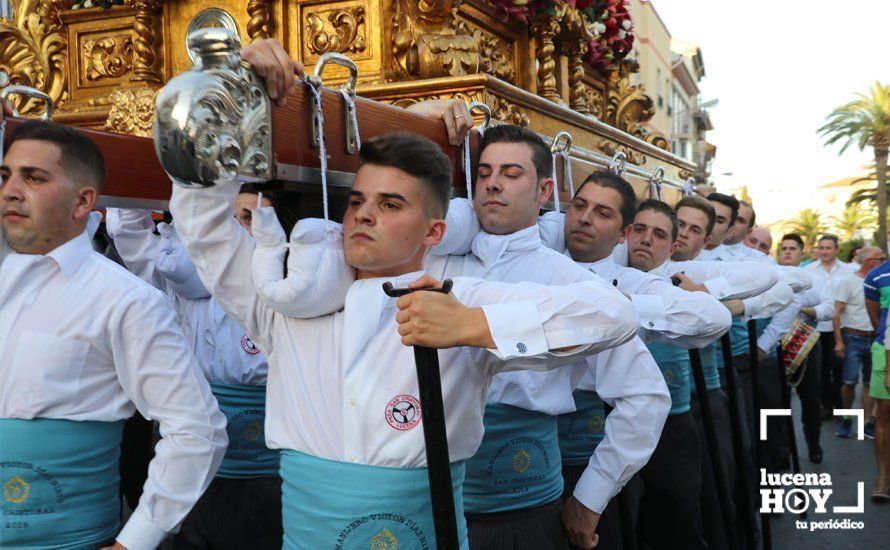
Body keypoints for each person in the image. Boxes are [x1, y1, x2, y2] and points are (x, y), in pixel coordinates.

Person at [170, 129, 644, 549]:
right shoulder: (283, 303)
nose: (364, 216)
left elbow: (614, 315)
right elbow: (203, 224)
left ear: (434, 231)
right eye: (357, 201)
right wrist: (234, 104)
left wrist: (473, 326)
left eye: (390, 204)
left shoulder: (454, 299)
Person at [0, 115, 228, 548]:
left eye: (34, 177)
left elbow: (197, 430)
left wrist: (136, 542)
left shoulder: (127, 301)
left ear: (83, 201)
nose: (11, 189)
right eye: (6, 174)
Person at [105, 197, 285, 548]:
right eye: (224, 218)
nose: (234, 230)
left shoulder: (291, 292)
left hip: (271, 471)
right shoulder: (176, 280)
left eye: (248, 218)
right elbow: (131, 233)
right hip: (196, 467)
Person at [777, 233, 835, 463]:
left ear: (802, 253)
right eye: (784, 248)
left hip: (806, 344)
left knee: (810, 400)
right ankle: (781, 452)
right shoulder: (771, 276)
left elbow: (829, 309)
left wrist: (800, 308)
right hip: (776, 346)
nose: (787, 252)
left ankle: (814, 446)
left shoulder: (815, 278)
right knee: (777, 402)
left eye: (792, 248)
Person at [833, 246, 886, 439]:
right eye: (880, 259)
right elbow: (836, 313)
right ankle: (846, 418)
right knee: (848, 382)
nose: (884, 262)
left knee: (869, 384)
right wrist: (838, 341)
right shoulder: (848, 282)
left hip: (875, 339)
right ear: (868, 262)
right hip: (852, 338)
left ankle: (866, 423)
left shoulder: (881, 282)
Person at [807, 234, 854, 418]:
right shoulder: (809, 270)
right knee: (822, 369)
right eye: (821, 248)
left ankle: (840, 406)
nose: (824, 251)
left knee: (841, 368)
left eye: (828, 248)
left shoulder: (849, 270)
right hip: (817, 327)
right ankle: (826, 406)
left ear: (836, 249)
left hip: (842, 328)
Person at [864, 257, 890, 500]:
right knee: (884, 412)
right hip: (886, 348)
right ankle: (883, 478)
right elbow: (876, 317)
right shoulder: (876, 275)